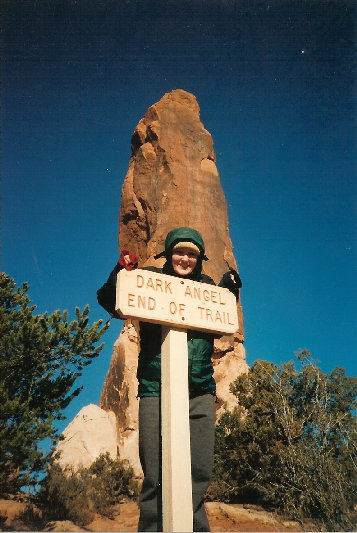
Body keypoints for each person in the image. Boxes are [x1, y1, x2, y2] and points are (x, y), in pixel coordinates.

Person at [97, 227, 242, 532]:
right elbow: (109, 299)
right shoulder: (150, 280)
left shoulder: (207, 289)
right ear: (168, 254)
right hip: (155, 389)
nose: (185, 259)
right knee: (155, 473)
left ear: (200, 258)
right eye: (179, 252)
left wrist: (230, 290)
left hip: (199, 391)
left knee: (199, 472)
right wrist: (121, 270)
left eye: (192, 254)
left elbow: (222, 318)